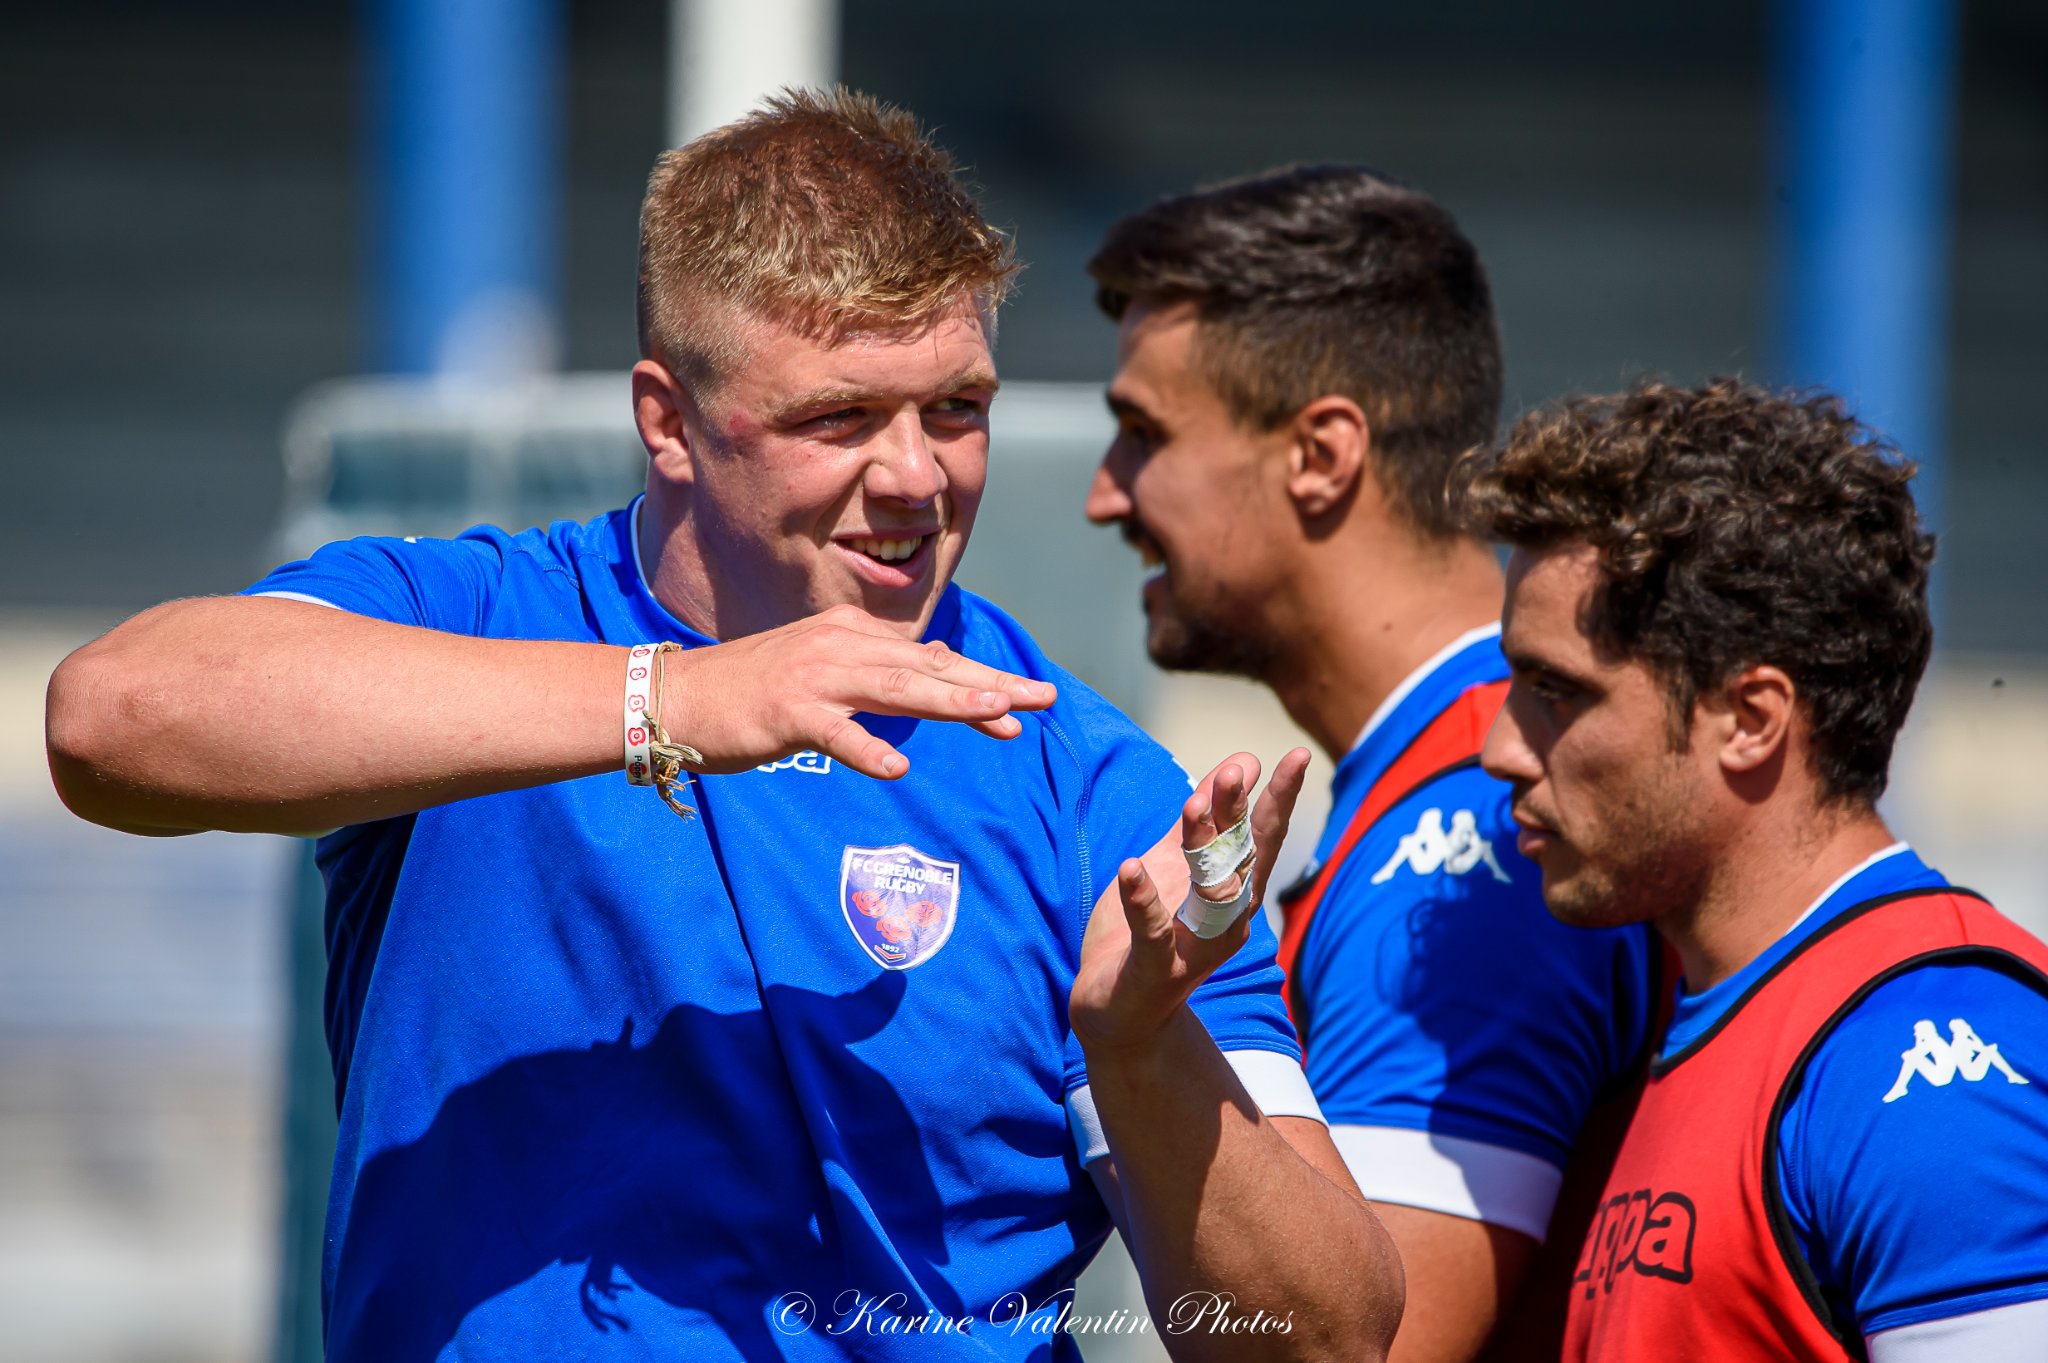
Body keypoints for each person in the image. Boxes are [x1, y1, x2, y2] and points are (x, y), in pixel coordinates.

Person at [45, 90, 1400, 1362]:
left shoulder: (1091, 786)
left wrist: (1141, 1045)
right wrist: (673, 701)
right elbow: (113, 718)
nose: (917, 477)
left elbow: (1330, 1337)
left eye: (958, 410)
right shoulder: (484, 614)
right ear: (667, 421)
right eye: (841, 417)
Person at [1082, 165, 1656, 1362]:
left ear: (1320, 453)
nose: (1103, 495)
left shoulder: (1468, 837)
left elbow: (1362, 1353)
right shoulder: (1435, 790)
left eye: (1143, 434)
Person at [1455, 378, 2048, 1361]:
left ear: (1749, 718)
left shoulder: (1927, 1057)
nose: (1500, 749)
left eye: (1555, 692)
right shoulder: (1700, 1017)